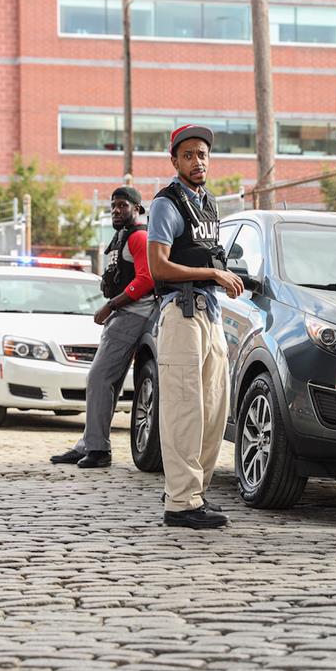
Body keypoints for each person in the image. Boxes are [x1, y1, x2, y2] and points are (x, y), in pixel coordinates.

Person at [147, 124, 243, 530]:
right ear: (175, 161)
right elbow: (158, 266)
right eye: (188, 155)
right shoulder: (166, 203)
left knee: (213, 411)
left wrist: (226, 274)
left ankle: (194, 495)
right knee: (185, 411)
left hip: (210, 313)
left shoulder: (209, 204)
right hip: (181, 313)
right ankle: (181, 504)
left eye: (202, 153)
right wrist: (212, 273)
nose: (197, 160)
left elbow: (209, 255)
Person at [51, 187, 155, 468]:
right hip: (124, 313)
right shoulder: (122, 238)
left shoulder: (139, 237)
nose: (116, 210)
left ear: (137, 208)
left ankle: (98, 449)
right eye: (113, 206)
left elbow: (146, 280)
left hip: (133, 313)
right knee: (106, 382)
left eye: (123, 205)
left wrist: (110, 306)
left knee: (98, 379)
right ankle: (90, 443)